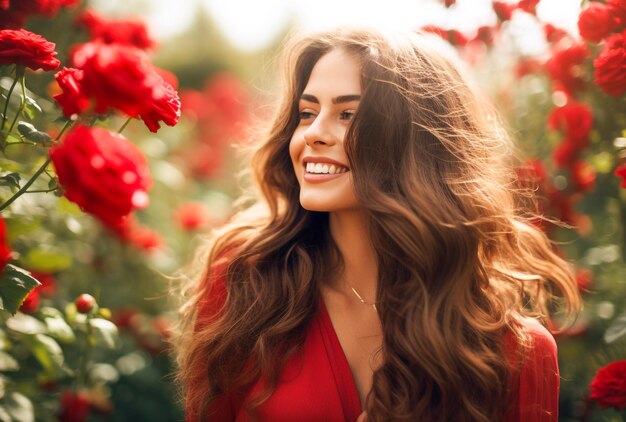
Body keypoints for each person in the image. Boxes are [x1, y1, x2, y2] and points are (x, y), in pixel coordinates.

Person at [173, 27, 581, 422]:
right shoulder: (246, 284)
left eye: (348, 114)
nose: (314, 133)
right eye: (307, 112)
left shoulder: (515, 353)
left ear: (416, 143)